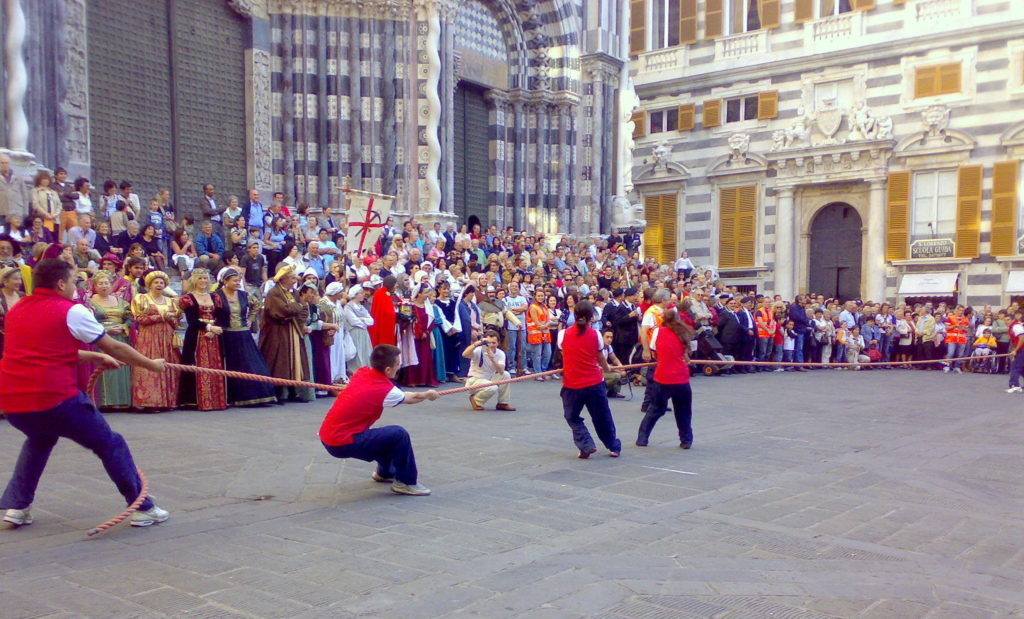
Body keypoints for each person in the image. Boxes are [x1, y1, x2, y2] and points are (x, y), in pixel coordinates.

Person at [0, 259, 170, 528]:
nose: (76, 287)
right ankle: (142, 506)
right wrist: (151, 365)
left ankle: (17, 506)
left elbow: (44, 350)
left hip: (14, 402)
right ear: (60, 284)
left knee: (39, 440)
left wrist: (94, 356)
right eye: (73, 281)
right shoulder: (71, 310)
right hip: (55, 399)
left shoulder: (17, 309)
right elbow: (114, 346)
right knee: (110, 443)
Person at [318, 344, 437, 496]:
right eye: (397, 365)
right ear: (388, 370)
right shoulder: (385, 390)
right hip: (341, 442)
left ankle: (385, 472)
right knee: (398, 434)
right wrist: (428, 394)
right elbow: (412, 398)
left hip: (328, 437)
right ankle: (406, 482)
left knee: (385, 436)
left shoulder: (362, 372)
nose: (399, 368)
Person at [558, 300, 621, 459]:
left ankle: (586, 444)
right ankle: (613, 447)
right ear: (591, 317)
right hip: (594, 383)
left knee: (572, 417)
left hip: (572, 384)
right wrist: (608, 369)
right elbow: (600, 358)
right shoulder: (596, 335)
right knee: (602, 416)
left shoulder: (562, 334)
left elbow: (565, 354)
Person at [213, 269, 276, 406]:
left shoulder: (243, 295)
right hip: (226, 335)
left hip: (242, 334)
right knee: (233, 365)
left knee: (251, 364)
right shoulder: (217, 296)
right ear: (225, 282)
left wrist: (250, 319)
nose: (237, 283)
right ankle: (235, 397)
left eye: (238, 281)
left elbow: (257, 305)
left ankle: (257, 395)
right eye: (234, 280)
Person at [636, 308, 694, 448]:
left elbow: (654, 349)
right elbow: (686, 354)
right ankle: (686, 440)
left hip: (663, 377)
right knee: (683, 411)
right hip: (681, 377)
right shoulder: (683, 333)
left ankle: (642, 439)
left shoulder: (657, 332)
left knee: (655, 409)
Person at [259, 265, 311, 404]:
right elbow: (280, 311)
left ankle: (294, 392)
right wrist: (296, 308)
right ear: (283, 279)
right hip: (277, 332)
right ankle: (278, 393)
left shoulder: (293, 293)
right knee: (279, 361)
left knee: (295, 360)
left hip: (292, 330)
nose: (295, 281)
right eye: (292, 278)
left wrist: (296, 311)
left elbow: (303, 308)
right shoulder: (274, 293)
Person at [178, 270, 228, 411]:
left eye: (205, 278)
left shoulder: (215, 296)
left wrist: (216, 329)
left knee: (215, 365)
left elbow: (223, 316)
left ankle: (216, 400)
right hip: (196, 335)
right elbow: (192, 320)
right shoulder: (188, 298)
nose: (203, 281)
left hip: (214, 336)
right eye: (200, 278)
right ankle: (196, 400)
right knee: (194, 364)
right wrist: (209, 327)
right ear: (194, 280)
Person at [131, 271, 181, 411]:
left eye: (161, 283)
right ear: (149, 284)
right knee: (149, 364)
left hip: (167, 337)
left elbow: (177, 323)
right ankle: (150, 401)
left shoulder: (171, 301)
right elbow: (139, 319)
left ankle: (168, 401)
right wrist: (161, 317)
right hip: (149, 336)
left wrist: (171, 318)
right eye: (156, 282)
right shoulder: (141, 298)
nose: (159, 285)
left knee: (168, 364)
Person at [89, 271, 133, 410]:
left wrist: (125, 325)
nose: (104, 286)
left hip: (120, 337)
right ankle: (104, 401)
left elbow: (130, 317)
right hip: (102, 338)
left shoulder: (121, 302)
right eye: (100, 283)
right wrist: (106, 329)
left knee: (120, 367)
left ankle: (122, 401)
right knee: (105, 368)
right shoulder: (89, 302)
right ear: (95, 286)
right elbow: (88, 321)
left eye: (106, 283)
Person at [463, 327, 515, 411]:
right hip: (474, 380)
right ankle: (476, 400)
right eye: (488, 343)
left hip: (488, 379)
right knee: (493, 387)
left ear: (498, 343)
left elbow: (501, 371)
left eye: (493, 343)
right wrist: (476, 343)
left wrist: (493, 359)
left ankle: (503, 403)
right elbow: (464, 354)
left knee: (506, 375)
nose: (491, 345)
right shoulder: (478, 350)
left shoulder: (500, 353)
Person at [526, 289, 552, 380]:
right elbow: (536, 321)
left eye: (542, 296)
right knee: (537, 354)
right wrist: (543, 325)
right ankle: (538, 373)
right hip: (535, 333)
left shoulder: (545, 306)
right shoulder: (533, 307)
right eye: (539, 296)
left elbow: (549, 319)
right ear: (535, 296)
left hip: (545, 333)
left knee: (548, 353)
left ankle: (544, 370)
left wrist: (546, 325)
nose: (540, 297)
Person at [368, 274, 399, 346]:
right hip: (383, 324)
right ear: (391, 284)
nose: (397, 285)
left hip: (390, 324)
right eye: (395, 283)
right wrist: (396, 315)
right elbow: (387, 312)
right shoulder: (380, 294)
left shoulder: (390, 293)